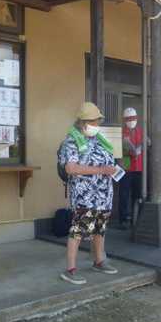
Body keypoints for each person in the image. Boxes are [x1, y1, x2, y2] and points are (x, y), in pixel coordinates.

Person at [58, 102, 119, 285]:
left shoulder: (99, 139)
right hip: (84, 195)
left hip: (103, 194)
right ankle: (70, 269)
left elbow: (108, 161)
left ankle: (99, 260)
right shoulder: (71, 141)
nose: (96, 124)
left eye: (97, 121)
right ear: (82, 122)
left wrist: (111, 170)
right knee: (78, 230)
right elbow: (71, 168)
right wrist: (101, 170)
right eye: (93, 121)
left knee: (99, 228)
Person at [118, 107, 144, 229]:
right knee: (124, 194)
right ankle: (123, 219)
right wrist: (129, 150)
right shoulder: (121, 132)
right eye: (128, 119)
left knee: (137, 194)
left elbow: (146, 144)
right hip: (125, 167)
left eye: (133, 118)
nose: (131, 121)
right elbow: (116, 150)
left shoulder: (141, 131)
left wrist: (144, 144)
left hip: (138, 167)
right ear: (124, 120)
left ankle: (137, 218)